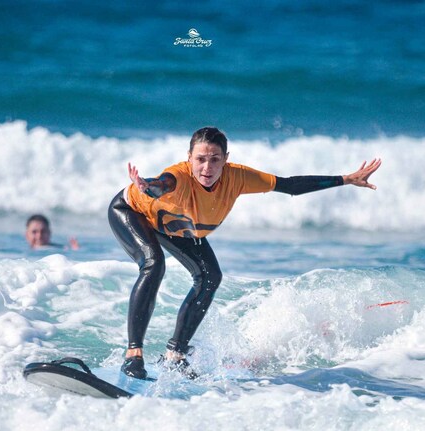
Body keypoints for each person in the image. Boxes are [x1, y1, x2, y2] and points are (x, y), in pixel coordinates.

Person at [108, 126, 381, 379]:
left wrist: (345, 179)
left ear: (226, 159)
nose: (207, 167)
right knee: (154, 265)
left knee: (210, 276)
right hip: (131, 212)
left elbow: (289, 186)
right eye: (200, 159)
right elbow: (162, 184)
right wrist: (147, 186)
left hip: (174, 225)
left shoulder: (237, 177)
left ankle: (175, 355)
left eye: (215, 159)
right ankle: (133, 355)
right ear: (189, 157)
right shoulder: (177, 176)